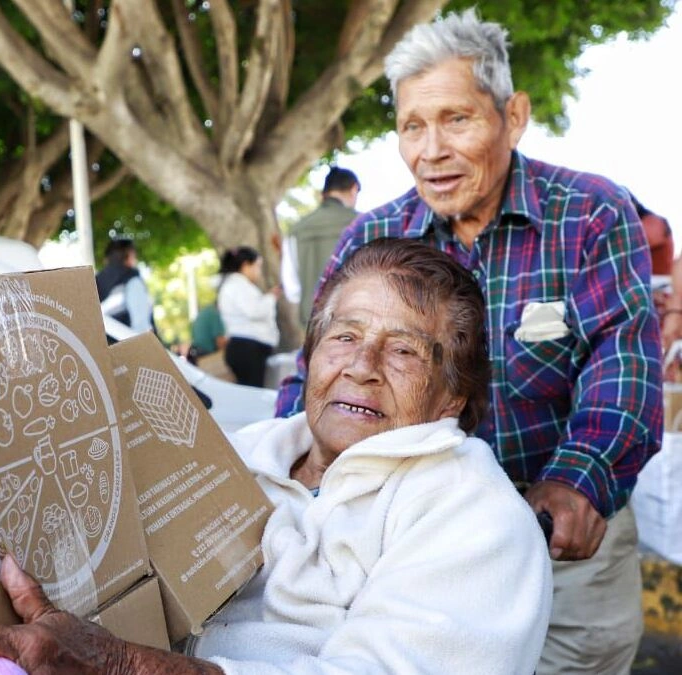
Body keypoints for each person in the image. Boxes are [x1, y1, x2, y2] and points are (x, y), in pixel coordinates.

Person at [0, 238, 552, 674]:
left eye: (405, 353)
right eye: (344, 337)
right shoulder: (238, 454)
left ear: (453, 398)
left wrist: (119, 665)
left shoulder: (477, 518)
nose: (360, 367)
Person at [275, 11, 661, 674]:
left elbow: (621, 363)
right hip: (404, 546)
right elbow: (316, 368)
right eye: (411, 127)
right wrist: (282, 463)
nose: (431, 150)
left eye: (456, 119)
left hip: (558, 543)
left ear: (513, 115)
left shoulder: (590, 212)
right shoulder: (372, 237)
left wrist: (577, 482)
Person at [291, 167, 360, 324]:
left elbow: (292, 288)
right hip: (355, 320)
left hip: (313, 322)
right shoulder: (365, 223)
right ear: (353, 189)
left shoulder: (298, 229)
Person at [217, 247, 279, 387]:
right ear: (246, 265)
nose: (259, 272)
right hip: (247, 349)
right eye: (257, 266)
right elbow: (254, 311)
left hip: (247, 348)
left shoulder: (236, 285)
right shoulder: (237, 285)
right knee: (254, 393)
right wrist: (270, 298)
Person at [96, 239, 155, 335]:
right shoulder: (133, 281)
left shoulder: (96, 282)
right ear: (129, 255)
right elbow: (141, 328)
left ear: (106, 259)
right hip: (127, 345)